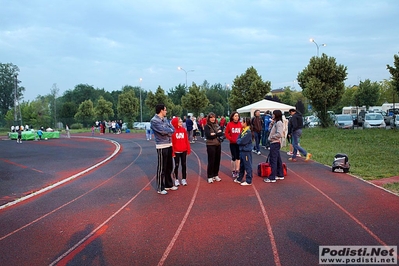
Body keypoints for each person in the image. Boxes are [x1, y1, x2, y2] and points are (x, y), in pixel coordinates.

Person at [150, 104, 177, 194]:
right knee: (162, 167)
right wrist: (168, 131)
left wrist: (168, 131)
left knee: (169, 166)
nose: (166, 111)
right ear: (161, 110)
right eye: (165, 110)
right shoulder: (154, 121)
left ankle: (168, 185)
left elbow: (172, 129)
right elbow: (162, 131)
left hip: (169, 144)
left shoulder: (165, 120)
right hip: (161, 145)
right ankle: (160, 187)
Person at [264, 110, 285, 183]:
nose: (272, 116)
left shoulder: (279, 123)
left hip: (275, 143)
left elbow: (279, 134)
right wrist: (271, 124)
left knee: (273, 160)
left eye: (273, 114)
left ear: (276, 115)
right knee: (278, 159)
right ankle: (280, 174)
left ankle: (272, 177)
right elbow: (270, 130)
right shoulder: (275, 122)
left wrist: (271, 138)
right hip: (274, 143)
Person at [204, 112, 224, 183]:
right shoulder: (206, 126)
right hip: (210, 145)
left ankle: (216, 174)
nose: (212, 119)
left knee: (217, 160)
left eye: (213, 117)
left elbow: (221, 133)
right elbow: (208, 136)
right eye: (211, 117)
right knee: (211, 160)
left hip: (218, 144)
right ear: (208, 118)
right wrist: (216, 134)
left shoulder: (217, 125)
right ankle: (210, 176)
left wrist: (214, 134)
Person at [171, 117, 191, 186]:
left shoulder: (183, 130)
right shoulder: (173, 131)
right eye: (179, 122)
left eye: (181, 121)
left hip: (184, 150)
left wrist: (188, 149)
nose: (181, 123)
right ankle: (176, 179)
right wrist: (172, 152)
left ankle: (184, 179)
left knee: (184, 164)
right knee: (176, 165)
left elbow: (186, 140)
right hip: (176, 151)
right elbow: (172, 143)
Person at [235, 117, 253, 185]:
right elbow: (238, 139)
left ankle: (248, 180)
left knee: (247, 165)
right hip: (242, 150)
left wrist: (239, 141)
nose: (241, 123)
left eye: (242, 122)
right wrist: (239, 141)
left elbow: (242, 141)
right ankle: (240, 178)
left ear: (245, 123)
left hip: (246, 151)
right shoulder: (243, 131)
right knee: (242, 165)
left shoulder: (248, 132)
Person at [224, 111, 242, 179]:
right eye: (235, 116)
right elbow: (226, 133)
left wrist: (241, 139)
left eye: (237, 116)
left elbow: (243, 132)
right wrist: (230, 139)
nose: (237, 117)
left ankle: (237, 170)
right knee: (233, 157)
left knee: (238, 157)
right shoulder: (229, 124)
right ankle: (233, 170)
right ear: (232, 117)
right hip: (232, 143)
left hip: (239, 143)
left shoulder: (240, 124)